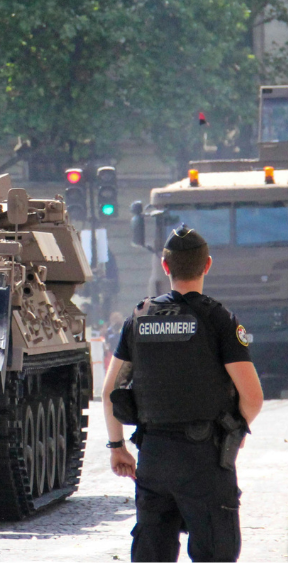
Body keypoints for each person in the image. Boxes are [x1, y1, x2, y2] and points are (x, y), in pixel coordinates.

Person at [102, 227, 264, 562]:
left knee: (152, 552)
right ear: (207, 265)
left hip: (154, 457)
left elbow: (111, 391)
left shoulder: (139, 317)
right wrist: (235, 428)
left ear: (165, 267)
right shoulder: (219, 319)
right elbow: (253, 397)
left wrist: (117, 447)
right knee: (215, 552)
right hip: (205, 458)